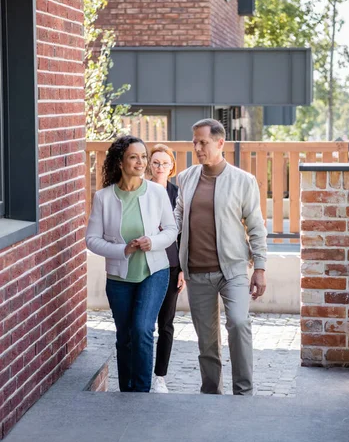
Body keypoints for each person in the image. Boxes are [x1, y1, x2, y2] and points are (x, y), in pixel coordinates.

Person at [174, 119, 267, 396]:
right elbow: (178, 215)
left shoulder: (243, 180)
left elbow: (256, 226)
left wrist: (260, 267)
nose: (197, 147)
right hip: (196, 271)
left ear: (220, 143)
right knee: (206, 341)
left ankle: (244, 392)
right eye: (194, 142)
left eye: (203, 142)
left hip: (233, 269)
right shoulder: (186, 177)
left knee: (239, 323)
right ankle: (211, 394)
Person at [86, 135, 177, 393]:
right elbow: (91, 240)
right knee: (124, 336)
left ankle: (140, 393)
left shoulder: (157, 192)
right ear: (120, 161)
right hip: (118, 278)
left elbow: (171, 229)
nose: (141, 162)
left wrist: (153, 241)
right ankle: (126, 392)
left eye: (143, 157)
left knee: (141, 330)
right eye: (134, 157)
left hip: (154, 272)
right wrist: (122, 249)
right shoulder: (103, 197)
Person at [148, 144, 186, 393]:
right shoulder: (141, 191)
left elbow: (185, 234)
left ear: (172, 166)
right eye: (156, 162)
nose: (160, 167)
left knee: (166, 324)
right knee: (143, 324)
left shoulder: (179, 194)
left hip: (172, 265)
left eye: (165, 163)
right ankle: (140, 370)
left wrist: (183, 268)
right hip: (147, 264)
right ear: (149, 165)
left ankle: (159, 376)